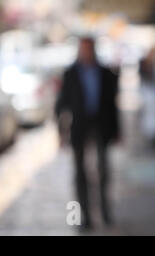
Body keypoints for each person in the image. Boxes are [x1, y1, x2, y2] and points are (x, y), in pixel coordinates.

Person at [56, 36, 119, 231]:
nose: (86, 53)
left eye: (88, 49)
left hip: (101, 125)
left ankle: (105, 212)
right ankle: (84, 217)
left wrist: (118, 131)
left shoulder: (105, 73)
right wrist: (61, 132)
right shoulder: (70, 73)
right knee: (80, 173)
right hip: (80, 127)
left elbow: (112, 105)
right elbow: (61, 105)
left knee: (103, 171)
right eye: (83, 49)